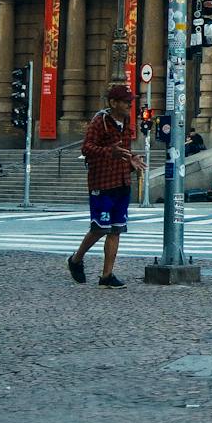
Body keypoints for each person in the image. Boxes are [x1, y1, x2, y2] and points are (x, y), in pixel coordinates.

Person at [67, 84, 146, 288]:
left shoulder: (128, 122)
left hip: (121, 181)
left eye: (131, 101)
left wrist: (132, 161)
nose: (130, 104)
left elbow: (124, 151)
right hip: (102, 182)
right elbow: (87, 148)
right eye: (126, 101)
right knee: (99, 228)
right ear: (113, 103)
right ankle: (76, 259)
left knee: (116, 229)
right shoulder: (99, 121)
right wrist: (109, 152)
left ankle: (106, 276)